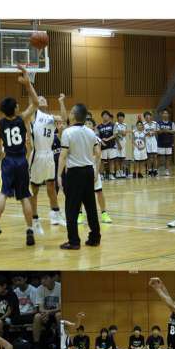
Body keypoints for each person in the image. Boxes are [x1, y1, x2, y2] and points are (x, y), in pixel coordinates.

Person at [0, 65, 39, 246]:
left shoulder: (0, 122)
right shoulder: (23, 118)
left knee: (3, 193)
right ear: (15, 108)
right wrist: (27, 84)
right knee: (24, 197)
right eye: (17, 104)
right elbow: (35, 103)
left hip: (8, 162)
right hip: (21, 161)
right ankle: (29, 230)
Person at [57, 103, 101, 250]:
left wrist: (58, 175)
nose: (69, 114)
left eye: (71, 112)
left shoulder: (67, 132)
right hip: (88, 171)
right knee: (91, 206)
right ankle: (95, 238)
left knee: (71, 208)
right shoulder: (91, 132)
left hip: (74, 174)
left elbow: (63, 156)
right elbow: (98, 153)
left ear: (74, 116)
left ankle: (74, 241)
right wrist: (96, 171)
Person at [28, 93, 67, 234]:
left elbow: (64, 118)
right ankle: (34, 219)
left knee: (51, 185)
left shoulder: (50, 117)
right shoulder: (34, 114)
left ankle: (55, 213)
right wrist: (29, 84)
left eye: (44, 98)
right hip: (38, 154)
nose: (42, 98)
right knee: (35, 189)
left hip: (49, 154)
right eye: (39, 98)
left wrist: (61, 102)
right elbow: (32, 100)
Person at [77, 117, 112, 224]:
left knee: (99, 192)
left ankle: (104, 213)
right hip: (81, 167)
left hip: (92, 168)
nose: (87, 125)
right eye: (85, 123)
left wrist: (96, 172)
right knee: (80, 193)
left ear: (93, 127)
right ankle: (80, 214)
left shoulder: (95, 139)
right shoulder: (78, 138)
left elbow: (98, 157)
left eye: (89, 123)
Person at [33, 273, 61, 349]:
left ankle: (60, 341)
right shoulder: (39, 289)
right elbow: (40, 308)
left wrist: (47, 312)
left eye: (45, 278)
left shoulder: (60, 287)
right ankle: (36, 344)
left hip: (56, 313)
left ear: (53, 278)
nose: (43, 281)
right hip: (45, 315)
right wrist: (45, 313)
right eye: (41, 279)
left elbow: (60, 308)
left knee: (58, 315)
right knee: (37, 316)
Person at [157, 109, 175, 176]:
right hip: (160, 143)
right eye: (164, 113)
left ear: (168, 115)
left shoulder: (172, 123)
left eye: (166, 113)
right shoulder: (159, 123)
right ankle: (158, 170)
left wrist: (167, 130)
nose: (165, 114)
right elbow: (157, 131)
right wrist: (163, 131)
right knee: (160, 158)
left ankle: (167, 170)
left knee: (168, 157)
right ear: (162, 115)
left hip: (169, 143)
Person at [97, 111, 117, 180]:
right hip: (103, 146)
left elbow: (115, 135)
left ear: (109, 116)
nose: (105, 116)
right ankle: (101, 174)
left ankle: (111, 174)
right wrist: (101, 141)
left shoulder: (113, 125)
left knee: (111, 160)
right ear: (102, 117)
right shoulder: (99, 126)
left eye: (107, 115)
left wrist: (107, 139)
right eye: (104, 115)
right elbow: (97, 136)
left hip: (111, 145)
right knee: (102, 161)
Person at [143, 111, 159, 176]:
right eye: (146, 117)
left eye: (148, 116)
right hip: (147, 141)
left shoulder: (155, 123)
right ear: (144, 118)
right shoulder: (143, 124)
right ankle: (149, 170)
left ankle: (155, 170)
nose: (147, 118)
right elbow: (142, 132)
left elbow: (158, 130)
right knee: (149, 156)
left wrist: (153, 132)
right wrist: (148, 133)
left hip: (153, 141)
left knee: (155, 156)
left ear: (151, 117)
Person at [114, 112, 128, 178]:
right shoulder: (116, 125)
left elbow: (125, 134)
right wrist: (119, 144)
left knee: (122, 158)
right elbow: (115, 135)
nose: (121, 118)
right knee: (117, 158)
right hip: (117, 143)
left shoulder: (125, 125)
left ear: (123, 118)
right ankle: (117, 171)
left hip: (123, 143)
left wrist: (122, 132)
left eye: (122, 116)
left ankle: (122, 171)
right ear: (117, 118)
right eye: (119, 116)